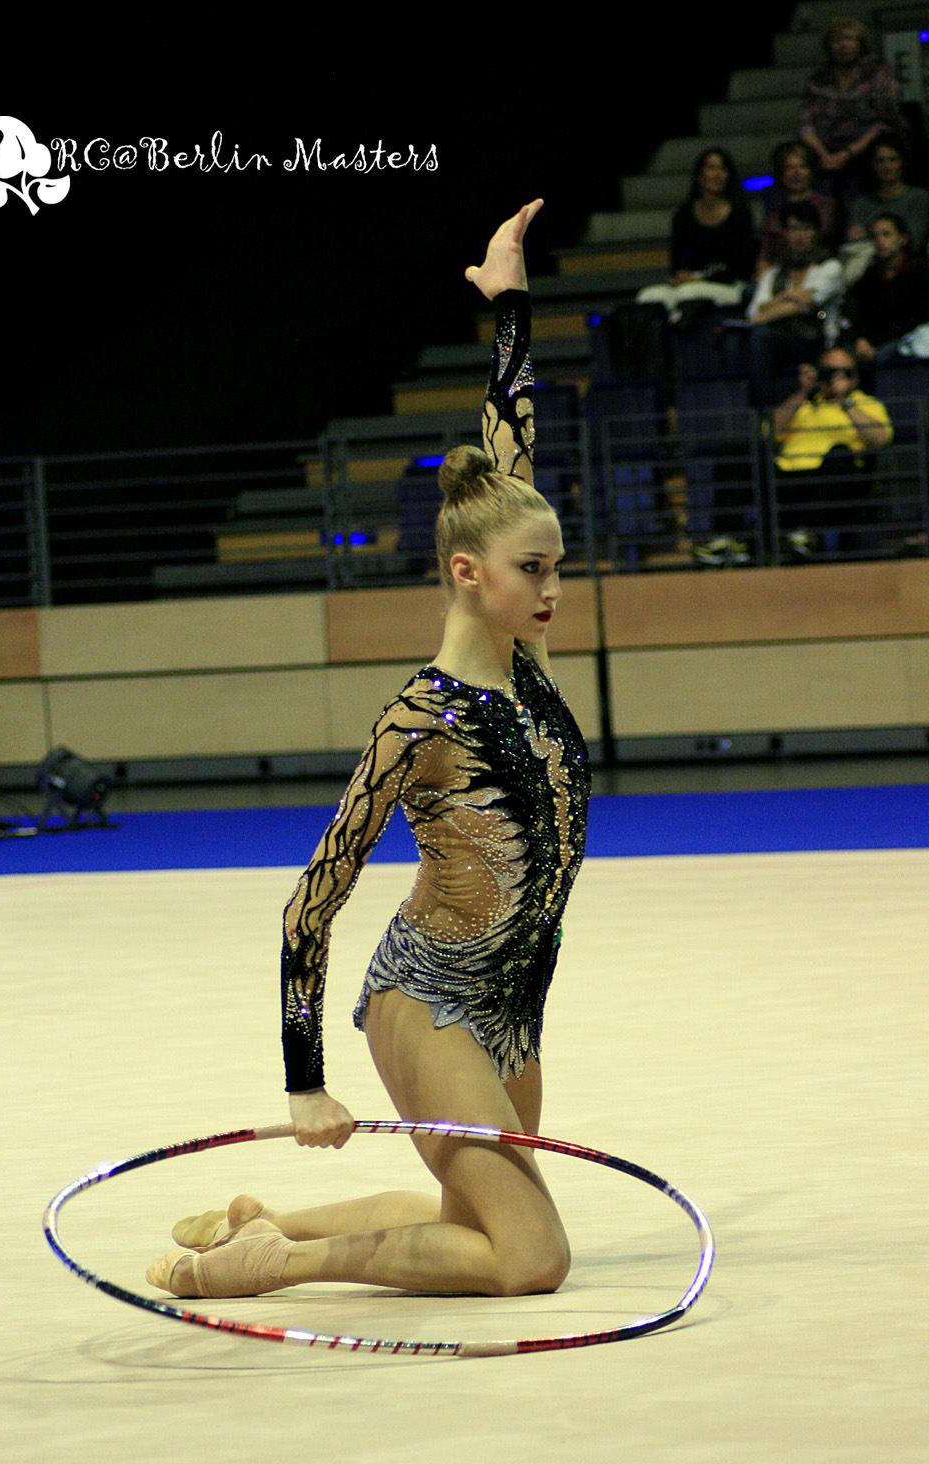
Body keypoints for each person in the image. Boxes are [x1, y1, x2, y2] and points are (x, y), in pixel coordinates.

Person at [145, 202, 593, 1302]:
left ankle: (266, 1223)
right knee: (531, 1258)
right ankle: (282, 1264)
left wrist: (510, 307)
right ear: (467, 574)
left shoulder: (524, 664)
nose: (553, 586)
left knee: (471, 1220)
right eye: (533, 569)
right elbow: (312, 901)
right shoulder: (417, 720)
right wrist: (306, 1081)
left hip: (513, 1001)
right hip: (429, 998)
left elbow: (510, 452)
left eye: (556, 565)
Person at [773, 347, 893, 557]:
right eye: (829, 372)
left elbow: (880, 439)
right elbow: (770, 430)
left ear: (855, 377)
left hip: (833, 479)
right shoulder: (803, 403)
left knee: (840, 454)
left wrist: (844, 401)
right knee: (736, 451)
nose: (836, 378)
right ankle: (727, 541)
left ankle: (807, 534)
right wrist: (803, 391)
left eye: (844, 372)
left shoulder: (865, 403)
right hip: (788, 476)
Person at [726, 200, 844, 405]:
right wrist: (789, 296)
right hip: (781, 341)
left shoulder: (830, 267)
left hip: (816, 342)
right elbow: (755, 310)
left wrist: (767, 311)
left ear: (816, 232)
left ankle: (764, 413)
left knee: (760, 335)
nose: (799, 236)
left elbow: (805, 304)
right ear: (785, 234)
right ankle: (736, 408)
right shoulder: (772, 274)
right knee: (733, 339)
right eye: (793, 229)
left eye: (805, 228)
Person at [637, 147, 756, 323]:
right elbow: (677, 259)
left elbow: (740, 266)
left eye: (722, 169)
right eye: (711, 168)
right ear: (699, 176)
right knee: (648, 296)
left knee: (688, 294)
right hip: (690, 282)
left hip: (727, 283)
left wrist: (700, 279)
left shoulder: (740, 214)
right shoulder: (684, 214)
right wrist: (681, 275)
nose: (717, 174)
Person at [798, 16, 906, 195]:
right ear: (829, 46)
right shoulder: (819, 77)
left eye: (849, 38)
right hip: (828, 147)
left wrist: (848, 153)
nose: (844, 45)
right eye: (837, 40)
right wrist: (824, 154)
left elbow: (885, 121)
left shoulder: (877, 70)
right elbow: (805, 123)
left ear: (860, 43)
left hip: (867, 144)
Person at [845, 212, 929, 365]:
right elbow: (858, 314)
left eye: (886, 235)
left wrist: (877, 347)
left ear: (903, 238)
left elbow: (917, 321)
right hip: (870, 344)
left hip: (908, 343)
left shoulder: (919, 273)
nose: (880, 241)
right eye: (875, 236)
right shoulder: (870, 276)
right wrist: (861, 339)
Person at [757, 142, 839, 272]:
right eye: (790, 168)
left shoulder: (827, 205)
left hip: (816, 269)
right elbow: (765, 252)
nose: (796, 173)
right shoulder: (774, 207)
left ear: (811, 171)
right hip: (778, 271)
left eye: (802, 166)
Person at [846, 136, 929, 257]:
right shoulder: (862, 203)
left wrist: (869, 236)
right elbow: (852, 243)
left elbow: (914, 242)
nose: (887, 166)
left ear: (902, 162)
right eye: (880, 161)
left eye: (893, 160)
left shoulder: (919, 198)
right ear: (873, 165)